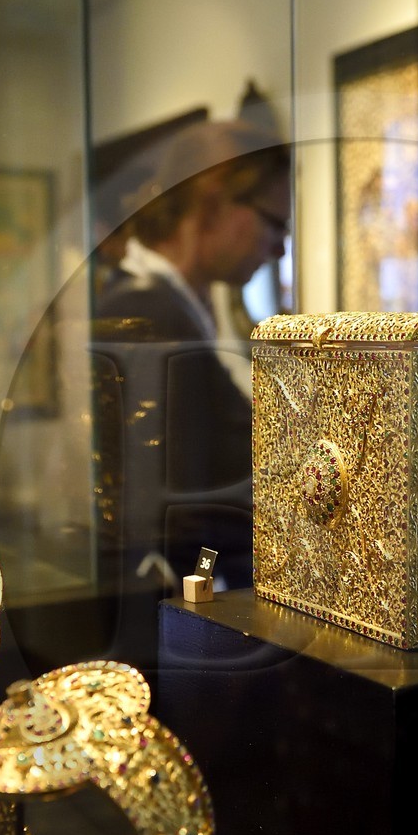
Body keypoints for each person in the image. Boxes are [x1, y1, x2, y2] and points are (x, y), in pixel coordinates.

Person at [93, 119, 292, 594]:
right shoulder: (150, 315)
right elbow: (172, 509)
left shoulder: (180, 307)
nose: (280, 247)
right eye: (274, 222)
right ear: (214, 204)